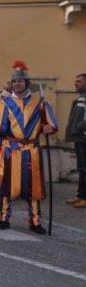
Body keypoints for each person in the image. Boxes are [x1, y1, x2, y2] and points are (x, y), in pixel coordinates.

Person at [0, 61, 58, 234]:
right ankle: (4, 218)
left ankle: (35, 221)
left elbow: (51, 124)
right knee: (7, 185)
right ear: (11, 84)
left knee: (33, 187)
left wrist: (48, 127)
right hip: (10, 149)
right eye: (15, 81)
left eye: (20, 81)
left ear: (26, 83)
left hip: (31, 150)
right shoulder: (5, 103)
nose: (17, 84)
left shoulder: (40, 102)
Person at [66, 73, 86, 208]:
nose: (75, 83)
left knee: (85, 168)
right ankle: (80, 196)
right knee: (81, 169)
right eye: (75, 81)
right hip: (79, 138)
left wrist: (77, 129)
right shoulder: (81, 98)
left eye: (79, 81)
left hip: (83, 138)